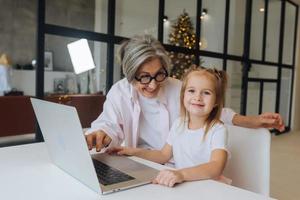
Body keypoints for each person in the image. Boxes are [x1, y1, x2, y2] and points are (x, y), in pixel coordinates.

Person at [85, 34, 285, 152]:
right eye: (144, 77)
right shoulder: (120, 92)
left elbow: (211, 111)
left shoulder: (177, 88)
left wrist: (252, 121)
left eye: (159, 75)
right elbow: (109, 124)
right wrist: (101, 134)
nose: (153, 85)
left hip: (172, 164)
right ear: (129, 76)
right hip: (140, 163)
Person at [107, 67, 231, 187]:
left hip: (209, 188)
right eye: (191, 91)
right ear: (183, 96)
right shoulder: (179, 124)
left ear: (216, 101)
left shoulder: (217, 129)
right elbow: (163, 155)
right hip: (185, 185)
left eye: (206, 93)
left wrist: (181, 174)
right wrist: (133, 152)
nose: (197, 97)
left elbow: (216, 167)